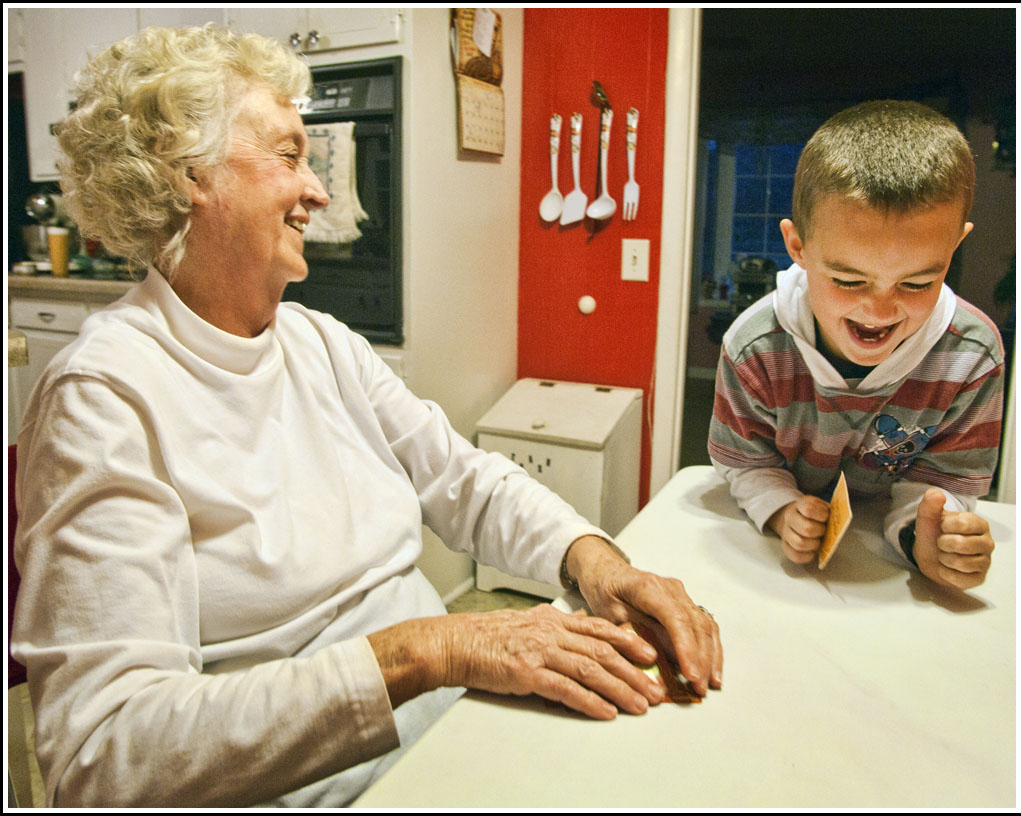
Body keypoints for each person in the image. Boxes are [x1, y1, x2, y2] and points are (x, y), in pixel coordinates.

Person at [9, 25, 721, 808]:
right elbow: (106, 755)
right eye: (288, 156)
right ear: (189, 175)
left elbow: (466, 481)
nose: (318, 190)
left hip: (452, 731)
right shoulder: (104, 396)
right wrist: (432, 650)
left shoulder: (319, 343)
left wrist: (599, 563)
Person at [708, 100, 1004, 591]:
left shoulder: (972, 356)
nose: (879, 310)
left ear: (954, 247)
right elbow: (745, 461)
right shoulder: (754, 349)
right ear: (797, 247)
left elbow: (945, 484)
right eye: (848, 279)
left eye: (915, 283)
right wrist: (780, 508)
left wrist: (927, 536)